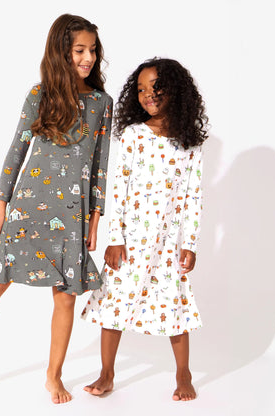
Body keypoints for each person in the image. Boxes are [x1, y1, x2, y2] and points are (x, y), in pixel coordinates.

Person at [0, 14, 113, 404]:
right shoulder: (40, 95)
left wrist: (95, 217)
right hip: (28, 206)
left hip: (73, 214)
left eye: (92, 50)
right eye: (80, 50)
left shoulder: (102, 103)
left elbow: (101, 164)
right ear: (62, 52)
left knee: (66, 295)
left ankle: (53, 376)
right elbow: (16, 151)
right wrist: (0, 207)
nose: (88, 58)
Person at [81, 58, 208, 401]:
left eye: (155, 87)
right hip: (131, 242)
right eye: (140, 89)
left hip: (167, 244)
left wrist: (190, 242)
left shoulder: (189, 143)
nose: (147, 94)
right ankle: (107, 373)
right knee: (114, 304)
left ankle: (183, 373)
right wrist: (115, 238)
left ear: (175, 90)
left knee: (175, 305)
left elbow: (193, 195)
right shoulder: (134, 135)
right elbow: (118, 188)